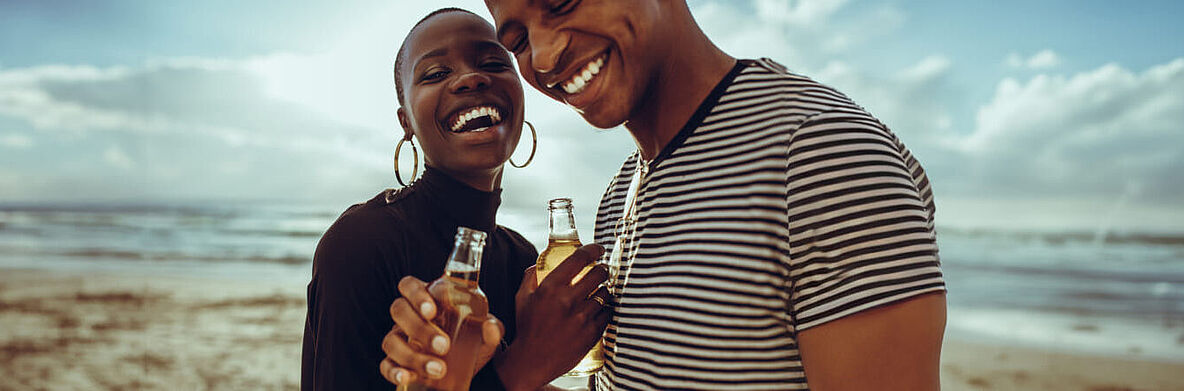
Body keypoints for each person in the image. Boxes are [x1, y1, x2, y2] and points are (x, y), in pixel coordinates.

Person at [381, 0, 949, 390]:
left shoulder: (821, 154)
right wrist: (488, 374)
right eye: (520, 40)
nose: (546, 57)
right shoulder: (621, 189)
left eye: (562, 2)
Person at [301, 8, 610, 390]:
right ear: (406, 122)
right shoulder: (361, 243)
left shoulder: (521, 260)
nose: (470, 78)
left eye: (494, 62)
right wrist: (522, 366)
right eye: (435, 74)